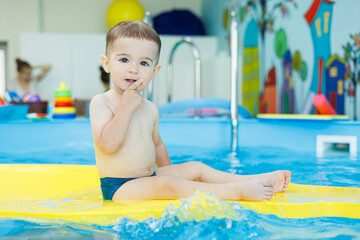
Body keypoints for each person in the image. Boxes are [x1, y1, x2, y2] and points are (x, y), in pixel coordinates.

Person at [90, 20, 291, 202]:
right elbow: (107, 145)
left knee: (196, 168)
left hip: (148, 178)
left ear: (154, 72)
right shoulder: (101, 102)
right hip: (119, 187)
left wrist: (170, 171)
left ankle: (256, 179)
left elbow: (157, 146)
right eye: (124, 60)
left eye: (143, 63)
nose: (133, 69)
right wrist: (125, 107)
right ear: (107, 63)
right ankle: (235, 192)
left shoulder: (149, 108)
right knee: (167, 185)